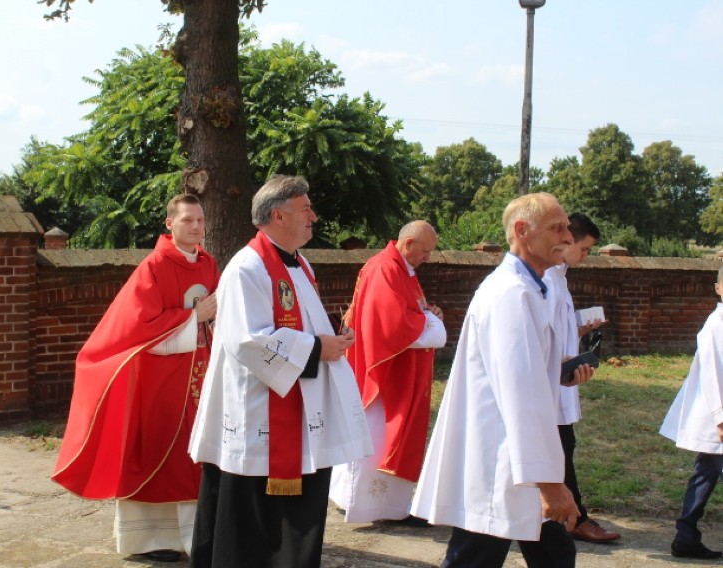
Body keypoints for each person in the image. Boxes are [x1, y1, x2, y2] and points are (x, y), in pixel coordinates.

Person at [188, 175, 373, 568]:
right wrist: (315, 348)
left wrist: (330, 336)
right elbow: (247, 341)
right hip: (256, 413)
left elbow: (299, 323)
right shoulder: (247, 267)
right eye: (306, 209)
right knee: (251, 518)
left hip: (297, 404)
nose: (314, 217)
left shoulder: (301, 264)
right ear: (278, 215)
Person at [411, 192, 595, 568]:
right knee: (480, 555)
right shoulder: (511, 294)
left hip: (516, 456)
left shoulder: (533, 287)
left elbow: (525, 372)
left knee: (551, 553)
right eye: (557, 228)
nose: (567, 238)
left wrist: (558, 372)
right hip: (500, 457)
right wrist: (549, 483)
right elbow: (520, 393)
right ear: (522, 231)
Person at [51, 193, 219, 563]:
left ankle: (199, 538)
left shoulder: (209, 265)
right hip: (159, 379)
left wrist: (213, 317)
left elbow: (214, 316)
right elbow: (139, 328)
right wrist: (194, 317)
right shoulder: (154, 266)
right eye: (188, 220)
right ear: (169, 223)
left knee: (195, 457)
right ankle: (147, 540)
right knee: (158, 455)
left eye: (200, 220)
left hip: (199, 375)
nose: (196, 227)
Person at [330, 221, 446, 525]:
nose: (428, 257)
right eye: (425, 251)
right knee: (377, 438)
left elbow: (411, 310)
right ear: (408, 244)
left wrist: (428, 313)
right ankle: (371, 506)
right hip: (383, 376)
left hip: (401, 370)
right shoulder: (385, 268)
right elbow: (392, 323)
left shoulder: (401, 268)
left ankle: (389, 506)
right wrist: (432, 324)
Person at [544, 213, 621, 544]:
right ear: (569, 241)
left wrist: (581, 327)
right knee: (560, 447)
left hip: (562, 376)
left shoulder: (560, 277)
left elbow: (559, 328)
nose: (587, 254)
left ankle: (567, 516)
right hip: (548, 381)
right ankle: (574, 518)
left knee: (564, 445)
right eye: (587, 248)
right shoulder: (545, 278)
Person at [660, 265, 723, 560]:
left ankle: (686, 535)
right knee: (707, 471)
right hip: (716, 415)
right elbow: (712, 373)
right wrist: (720, 416)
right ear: (718, 288)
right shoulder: (715, 325)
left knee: (707, 472)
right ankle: (685, 534)